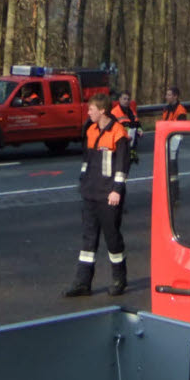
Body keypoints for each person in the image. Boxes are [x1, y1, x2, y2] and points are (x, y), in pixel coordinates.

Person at [64, 93, 131, 297]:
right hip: (90, 193)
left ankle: (119, 279)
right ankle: (82, 283)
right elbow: (87, 160)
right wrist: (83, 181)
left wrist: (116, 190)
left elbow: (122, 165)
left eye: (91, 109)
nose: (88, 113)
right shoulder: (91, 130)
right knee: (88, 240)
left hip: (108, 195)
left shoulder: (118, 132)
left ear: (102, 110)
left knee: (112, 238)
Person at [112, 90, 142, 164]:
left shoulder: (131, 111)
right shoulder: (114, 112)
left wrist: (139, 130)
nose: (126, 101)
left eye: (128, 99)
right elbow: (113, 128)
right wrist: (126, 131)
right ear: (119, 99)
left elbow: (137, 123)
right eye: (124, 99)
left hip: (131, 144)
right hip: (121, 143)